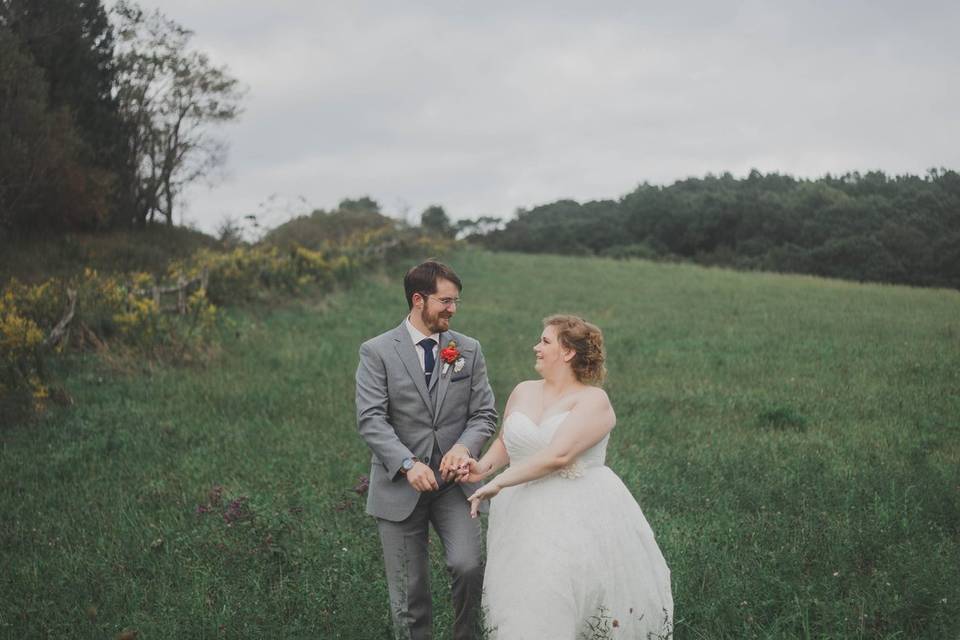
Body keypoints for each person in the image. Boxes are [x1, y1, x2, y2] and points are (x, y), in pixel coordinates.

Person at [460, 314, 673, 639]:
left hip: (575, 512)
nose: (536, 347)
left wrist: (500, 482)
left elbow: (558, 455)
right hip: (520, 513)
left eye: (545, 341)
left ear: (568, 352)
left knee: (559, 595)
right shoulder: (523, 391)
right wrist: (482, 468)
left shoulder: (593, 401)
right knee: (519, 597)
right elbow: (506, 442)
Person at [355, 260, 497, 640]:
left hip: (455, 486)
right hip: (400, 487)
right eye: (445, 301)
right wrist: (406, 464)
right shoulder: (377, 351)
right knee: (409, 592)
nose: (453, 309)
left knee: (468, 566)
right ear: (418, 300)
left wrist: (464, 447)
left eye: (456, 301)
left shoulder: (468, 348)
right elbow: (371, 419)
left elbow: (484, 414)